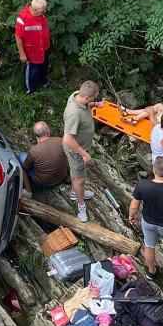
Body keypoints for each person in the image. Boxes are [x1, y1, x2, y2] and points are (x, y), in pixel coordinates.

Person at [63, 81, 102, 222]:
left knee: (76, 174)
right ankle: (81, 206)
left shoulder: (77, 96)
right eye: (93, 99)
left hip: (81, 148)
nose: (94, 101)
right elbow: (68, 138)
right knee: (80, 180)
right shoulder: (74, 113)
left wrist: (95, 105)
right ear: (86, 97)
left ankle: (75, 192)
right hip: (76, 151)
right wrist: (83, 153)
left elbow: (87, 105)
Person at [18, 121, 68, 197]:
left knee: (21, 156)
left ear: (36, 136)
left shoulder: (34, 150)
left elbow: (25, 167)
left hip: (44, 183)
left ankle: (28, 191)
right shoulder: (60, 141)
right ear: (48, 131)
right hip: (61, 178)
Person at [15, 0, 50, 95]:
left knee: (44, 65)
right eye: (44, 10)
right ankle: (30, 90)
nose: (45, 11)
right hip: (32, 51)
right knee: (32, 71)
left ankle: (42, 82)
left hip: (44, 48)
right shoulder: (23, 18)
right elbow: (18, 37)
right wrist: (22, 53)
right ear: (36, 10)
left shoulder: (40, 14)